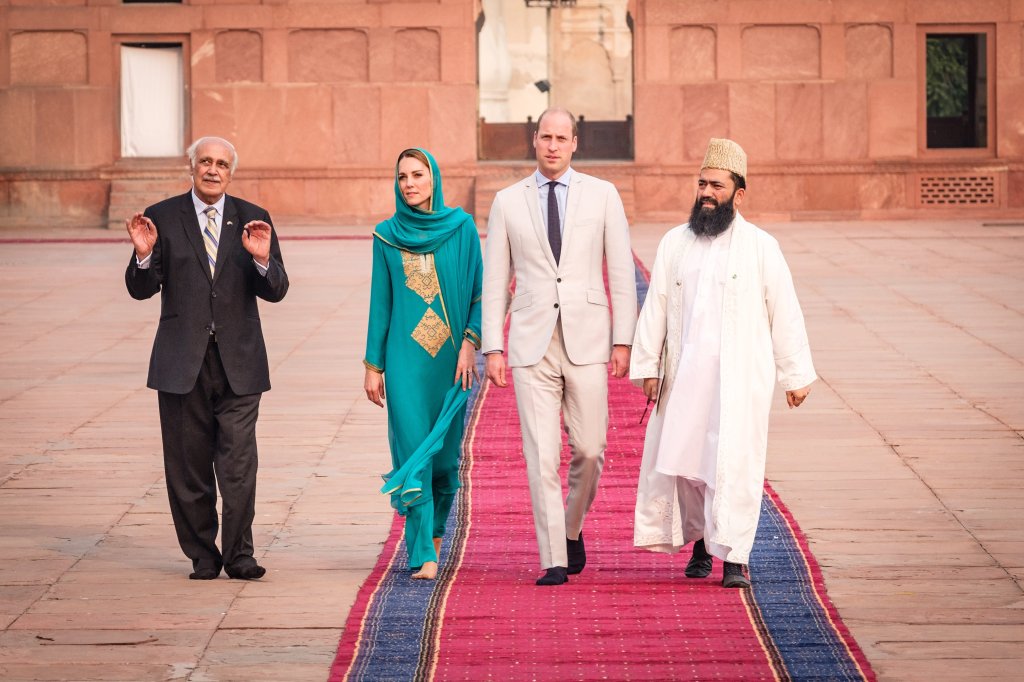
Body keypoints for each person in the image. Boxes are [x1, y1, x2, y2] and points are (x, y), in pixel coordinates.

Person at [630, 138, 816, 588]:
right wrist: (649, 367)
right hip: (685, 377)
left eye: (717, 184)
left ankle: (734, 557)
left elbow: (784, 309)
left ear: (739, 192)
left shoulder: (760, 247)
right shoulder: (676, 242)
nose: (707, 192)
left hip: (738, 380)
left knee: (732, 464)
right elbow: (655, 306)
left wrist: (795, 373)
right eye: (702, 183)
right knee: (688, 465)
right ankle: (699, 544)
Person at [482, 108, 638, 586]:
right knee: (541, 455)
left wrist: (623, 340)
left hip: (589, 339)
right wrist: (493, 347)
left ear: (574, 144)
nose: (552, 145)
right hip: (530, 343)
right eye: (545, 137)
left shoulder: (603, 195)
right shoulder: (507, 201)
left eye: (561, 138)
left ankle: (570, 528)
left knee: (590, 449)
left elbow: (620, 272)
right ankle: (553, 557)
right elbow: (495, 282)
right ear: (535, 141)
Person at [125, 136, 289, 581]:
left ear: (231, 173)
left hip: (240, 363)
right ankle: (202, 555)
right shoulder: (161, 217)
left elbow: (276, 288)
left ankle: (239, 555)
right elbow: (141, 289)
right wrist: (142, 255)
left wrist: (260, 260)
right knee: (188, 467)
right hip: (182, 364)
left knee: (238, 466)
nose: (213, 170)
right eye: (205, 162)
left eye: (221, 164)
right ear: (191, 168)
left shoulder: (254, 218)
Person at [364, 148, 483, 581]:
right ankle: (422, 554)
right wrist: (373, 365)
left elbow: (478, 293)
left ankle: (433, 535)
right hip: (404, 365)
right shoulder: (385, 235)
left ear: (434, 178)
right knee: (414, 453)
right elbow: (381, 304)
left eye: (417, 175)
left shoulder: (461, 228)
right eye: (402, 177)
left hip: (452, 364)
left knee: (446, 460)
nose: (409, 183)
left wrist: (471, 343)